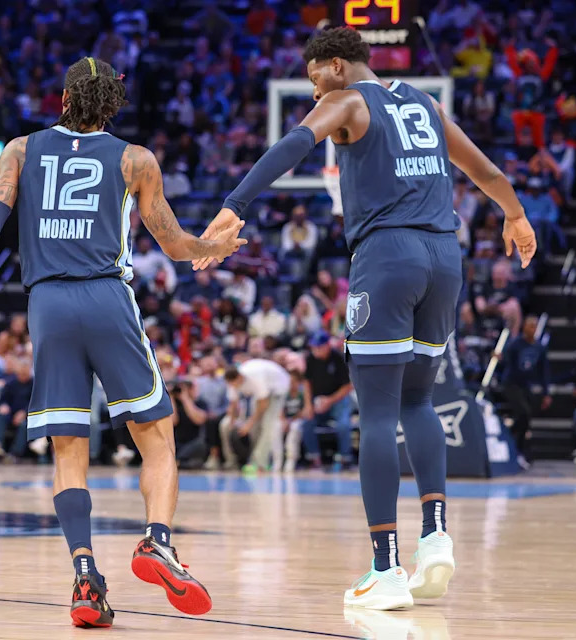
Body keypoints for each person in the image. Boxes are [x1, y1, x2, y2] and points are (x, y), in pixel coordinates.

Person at [192, 28, 536, 609]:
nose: (312, 93)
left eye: (313, 79)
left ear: (335, 66)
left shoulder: (348, 98)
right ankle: (435, 536)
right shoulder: (426, 104)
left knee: (376, 413)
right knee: (418, 401)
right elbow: (485, 170)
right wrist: (515, 216)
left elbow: (291, 147)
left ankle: (386, 569)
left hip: (388, 257)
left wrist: (233, 206)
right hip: (444, 258)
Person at [0, 57, 244, 626]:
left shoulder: (21, 150)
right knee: (156, 437)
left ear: (62, 100)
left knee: (68, 449)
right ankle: (156, 540)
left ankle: (84, 575)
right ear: (111, 107)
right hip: (107, 298)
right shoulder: (135, 160)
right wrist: (212, 246)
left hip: (48, 305)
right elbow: (174, 241)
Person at [499, 315, 551, 464]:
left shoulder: (539, 348)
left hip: (525, 386)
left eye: (535, 326)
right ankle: (510, 437)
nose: (533, 329)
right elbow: (506, 362)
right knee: (524, 412)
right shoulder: (516, 345)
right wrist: (500, 358)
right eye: (530, 326)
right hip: (511, 384)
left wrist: (546, 393)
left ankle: (517, 447)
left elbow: (544, 372)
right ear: (524, 328)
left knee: (526, 417)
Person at [222, 358, 289, 472]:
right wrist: (233, 421)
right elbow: (233, 403)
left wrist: (249, 423)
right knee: (250, 425)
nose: (234, 387)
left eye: (236, 384)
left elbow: (264, 403)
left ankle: (260, 463)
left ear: (240, 378)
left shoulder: (255, 377)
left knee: (268, 424)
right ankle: (241, 460)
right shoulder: (232, 381)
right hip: (261, 395)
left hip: (278, 388)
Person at [301, 331, 354, 470]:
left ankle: (345, 458)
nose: (315, 350)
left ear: (327, 346)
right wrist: (308, 405)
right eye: (313, 347)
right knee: (307, 422)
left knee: (343, 425)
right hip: (317, 400)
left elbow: (348, 386)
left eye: (318, 347)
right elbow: (307, 383)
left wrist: (329, 401)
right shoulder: (310, 359)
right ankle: (314, 457)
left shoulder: (338, 358)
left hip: (337, 399)